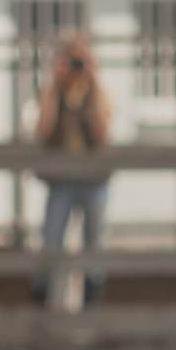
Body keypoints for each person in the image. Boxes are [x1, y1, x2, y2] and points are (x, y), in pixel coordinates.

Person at [29, 32, 114, 306]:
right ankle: (43, 295)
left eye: (80, 59)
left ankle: (92, 296)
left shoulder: (98, 93)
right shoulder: (51, 93)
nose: (75, 66)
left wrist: (93, 80)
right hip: (61, 179)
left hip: (93, 178)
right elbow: (43, 130)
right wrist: (55, 84)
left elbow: (102, 133)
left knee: (94, 240)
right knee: (51, 239)